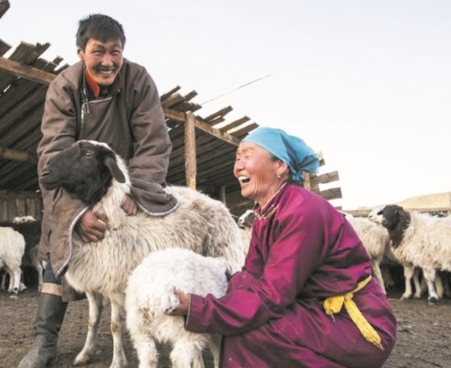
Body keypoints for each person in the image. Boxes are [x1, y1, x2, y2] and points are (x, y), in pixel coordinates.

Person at [18, 14, 178, 368]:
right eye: (98, 52)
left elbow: (154, 141)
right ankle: (44, 342)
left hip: (127, 180)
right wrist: (76, 213)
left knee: (151, 245)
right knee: (56, 243)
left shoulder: (138, 81)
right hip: (78, 182)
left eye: (115, 52)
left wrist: (135, 191)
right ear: (80, 52)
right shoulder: (63, 87)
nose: (108, 61)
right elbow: (54, 153)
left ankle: (178, 325)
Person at [168, 127, 397, 367]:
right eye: (237, 159)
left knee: (256, 327)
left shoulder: (302, 210)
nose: (238, 167)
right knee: (239, 285)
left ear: (280, 166)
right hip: (317, 314)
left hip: (355, 325)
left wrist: (198, 308)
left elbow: (271, 297)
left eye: (247, 156)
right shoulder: (266, 214)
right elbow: (252, 278)